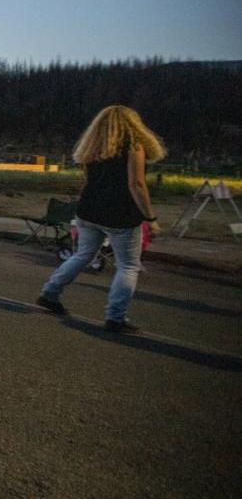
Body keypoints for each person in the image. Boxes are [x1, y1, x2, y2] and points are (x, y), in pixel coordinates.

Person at [36, 105, 166, 332]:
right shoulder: (134, 146)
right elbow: (136, 184)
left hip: (88, 210)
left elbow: (89, 181)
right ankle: (116, 316)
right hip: (121, 214)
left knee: (83, 255)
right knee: (128, 266)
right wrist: (150, 217)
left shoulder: (92, 149)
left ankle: (50, 293)